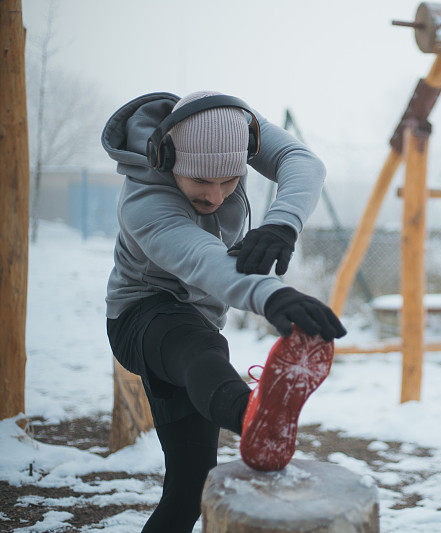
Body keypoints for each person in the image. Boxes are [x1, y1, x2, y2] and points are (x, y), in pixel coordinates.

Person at [101, 90, 346, 532]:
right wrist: (273, 297)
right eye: (199, 182)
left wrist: (282, 221)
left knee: (189, 492)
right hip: (140, 314)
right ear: (166, 158)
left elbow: (302, 161)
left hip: (198, 322)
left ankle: (252, 418)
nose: (215, 196)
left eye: (230, 181)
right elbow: (204, 260)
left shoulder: (236, 126)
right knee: (200, 348)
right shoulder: (145, 202)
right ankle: (253, 418)